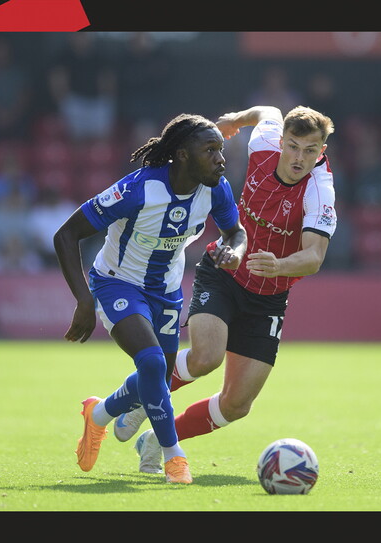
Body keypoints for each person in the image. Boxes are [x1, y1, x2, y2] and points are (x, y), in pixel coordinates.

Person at [112, 105, 337, 475]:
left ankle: (155, 440)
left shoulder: (320, 190)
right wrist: (236, 119)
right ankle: (139, 401)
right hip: (225, 270)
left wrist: (278, 266)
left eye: (310, 151)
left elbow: (314, 256)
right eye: (293, 147)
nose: (299, 158)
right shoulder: (264, 140)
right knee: (206, 356)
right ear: (281, 140)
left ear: (321, 152)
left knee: (236, 405)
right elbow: (267, 111)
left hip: (269, 296)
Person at [52, 113, 247, 484]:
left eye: (221, 150)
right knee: (154, 365)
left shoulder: (215, 188)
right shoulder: (137, 189)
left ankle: (98, 414)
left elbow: (235, 232)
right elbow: (66, 234)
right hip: (117, 283)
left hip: (167, 291)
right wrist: (84, 300)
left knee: (156, 378)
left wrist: (234, 252)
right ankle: (175, 459)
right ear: (183, 155)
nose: (221, 159)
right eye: (210, 150)